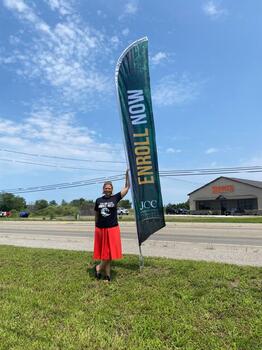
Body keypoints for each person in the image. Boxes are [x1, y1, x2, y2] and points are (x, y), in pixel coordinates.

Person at [93, 169, 130, 281]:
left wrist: (127, 175)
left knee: (110, 252)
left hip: (113, 228)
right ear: (103, 189)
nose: (108, 189)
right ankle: (107, 276)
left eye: (109, 188)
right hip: (101, 228)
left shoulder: (115, 198)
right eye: (106, 188)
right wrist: (96, 226)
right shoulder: (98, 200)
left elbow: (127, 188)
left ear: (112, 189)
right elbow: (96, 214)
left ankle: (99, 267)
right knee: (105, 252)